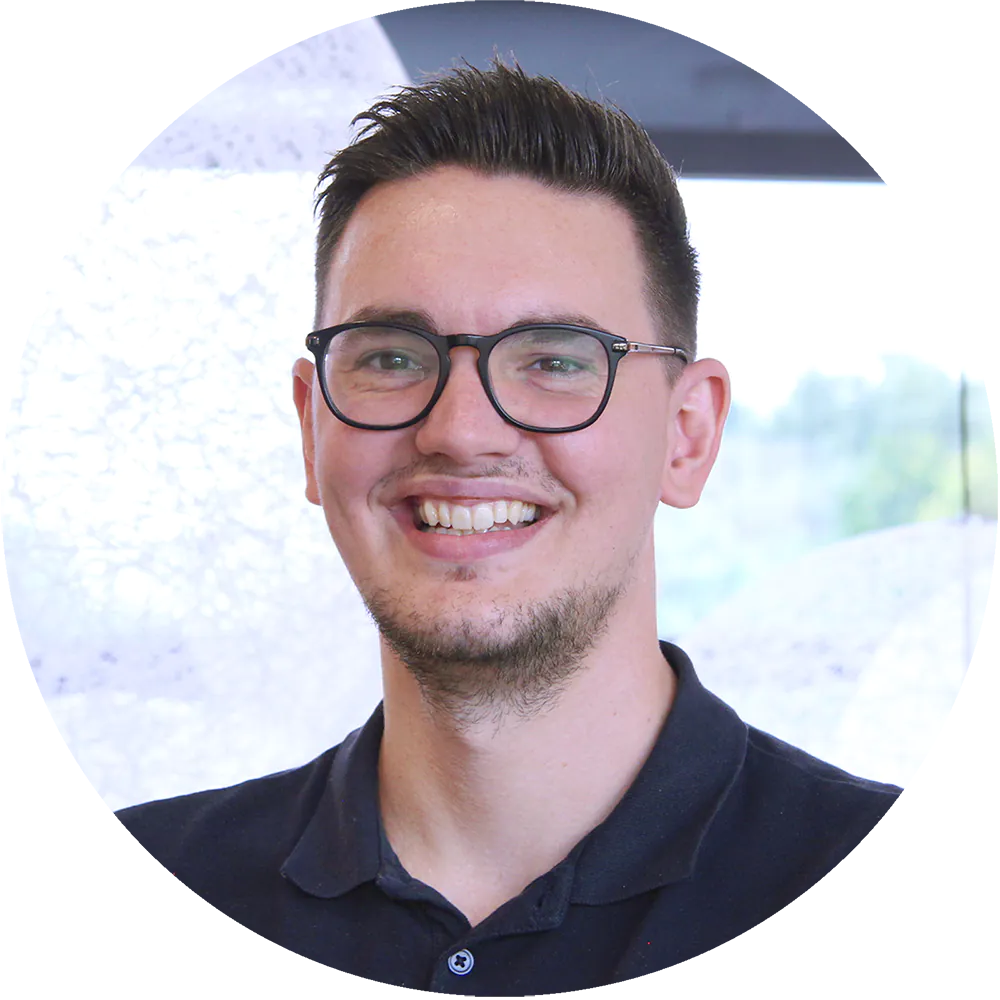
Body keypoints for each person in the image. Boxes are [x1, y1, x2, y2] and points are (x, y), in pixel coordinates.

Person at [113, 61, 1000, 989]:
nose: (460, 430)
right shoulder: (120, 911)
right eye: (392, 357)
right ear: (311, 428)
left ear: (687, 436)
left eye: (556, 361)